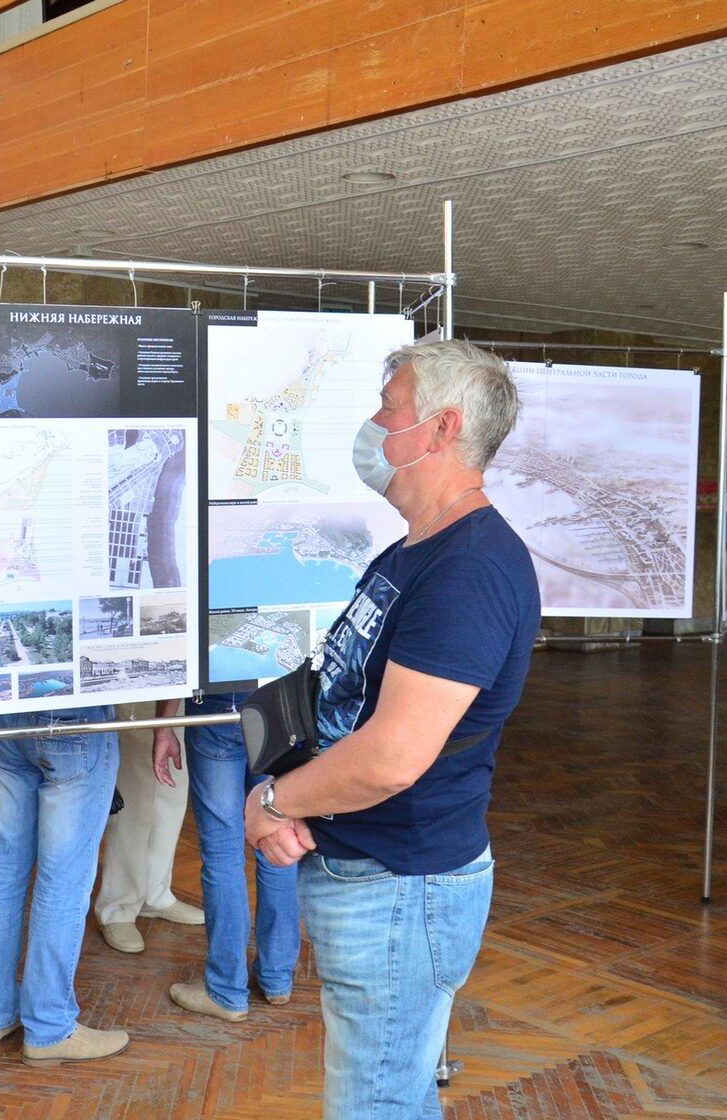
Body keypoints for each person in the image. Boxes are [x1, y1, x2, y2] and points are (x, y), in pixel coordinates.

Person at [242, 340, 540, 1120]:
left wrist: (274, 802)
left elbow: (392, 757)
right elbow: (349, 698)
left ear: (441, 428)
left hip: (400, 889)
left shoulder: (470, 570)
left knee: (376, 1104)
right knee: (391, 1097)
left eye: (389, 407)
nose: (375, 423)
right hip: (374, 878)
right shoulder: (417, 548)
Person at [0, 703, 125, 1066]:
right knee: (63, 881)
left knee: (2, 869)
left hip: (0, 708)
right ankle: (49, 1027)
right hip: (73, 714)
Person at [152, 691, 299, 1021]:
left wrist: (163, 725)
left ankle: (226, 990)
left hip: (216, 706)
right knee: (278, 842)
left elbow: (179, 661)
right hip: (278, 702)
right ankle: (277, 978)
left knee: (222, 854)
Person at [94, 702, 202, 954]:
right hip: (137, 685)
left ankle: (155, 893)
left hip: (179, 688)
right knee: (134, 792)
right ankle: (117, 905)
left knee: (172, 787)